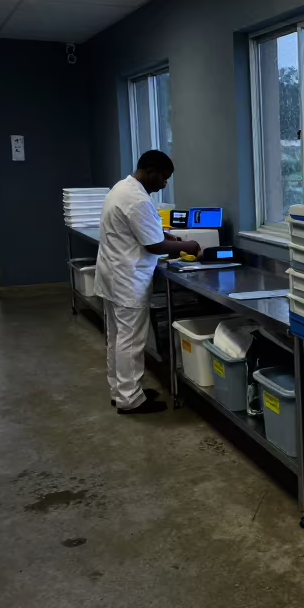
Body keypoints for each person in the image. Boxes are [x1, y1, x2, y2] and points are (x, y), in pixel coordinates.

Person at [94, 151, 200, 414]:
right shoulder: (137, 199)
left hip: (112, 275)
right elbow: (153, 245)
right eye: (164, 178)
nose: (164, 184)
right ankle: (130, 400)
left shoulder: (121, 189)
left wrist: (168, 236)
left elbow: (140, 229)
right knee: (130, 340)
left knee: (117, 338)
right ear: (151, 171)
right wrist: (190, 245)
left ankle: (121, 391)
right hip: (127, 279)